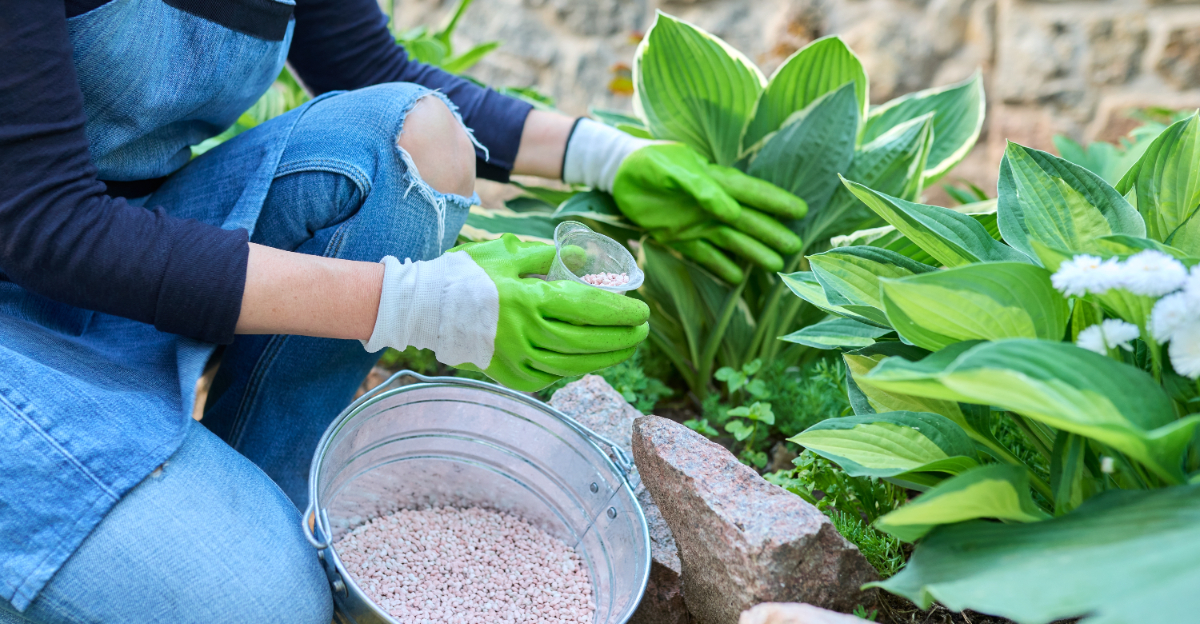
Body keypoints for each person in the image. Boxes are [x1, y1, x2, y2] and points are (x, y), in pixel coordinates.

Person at [0, 1, 807, 622]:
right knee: (264, 605)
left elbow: (368, 65)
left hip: (117, 261)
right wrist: (422, 306)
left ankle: (260, 493)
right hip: (29, 289)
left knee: (408, 137)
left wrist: (608, 155)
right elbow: (43, 222)